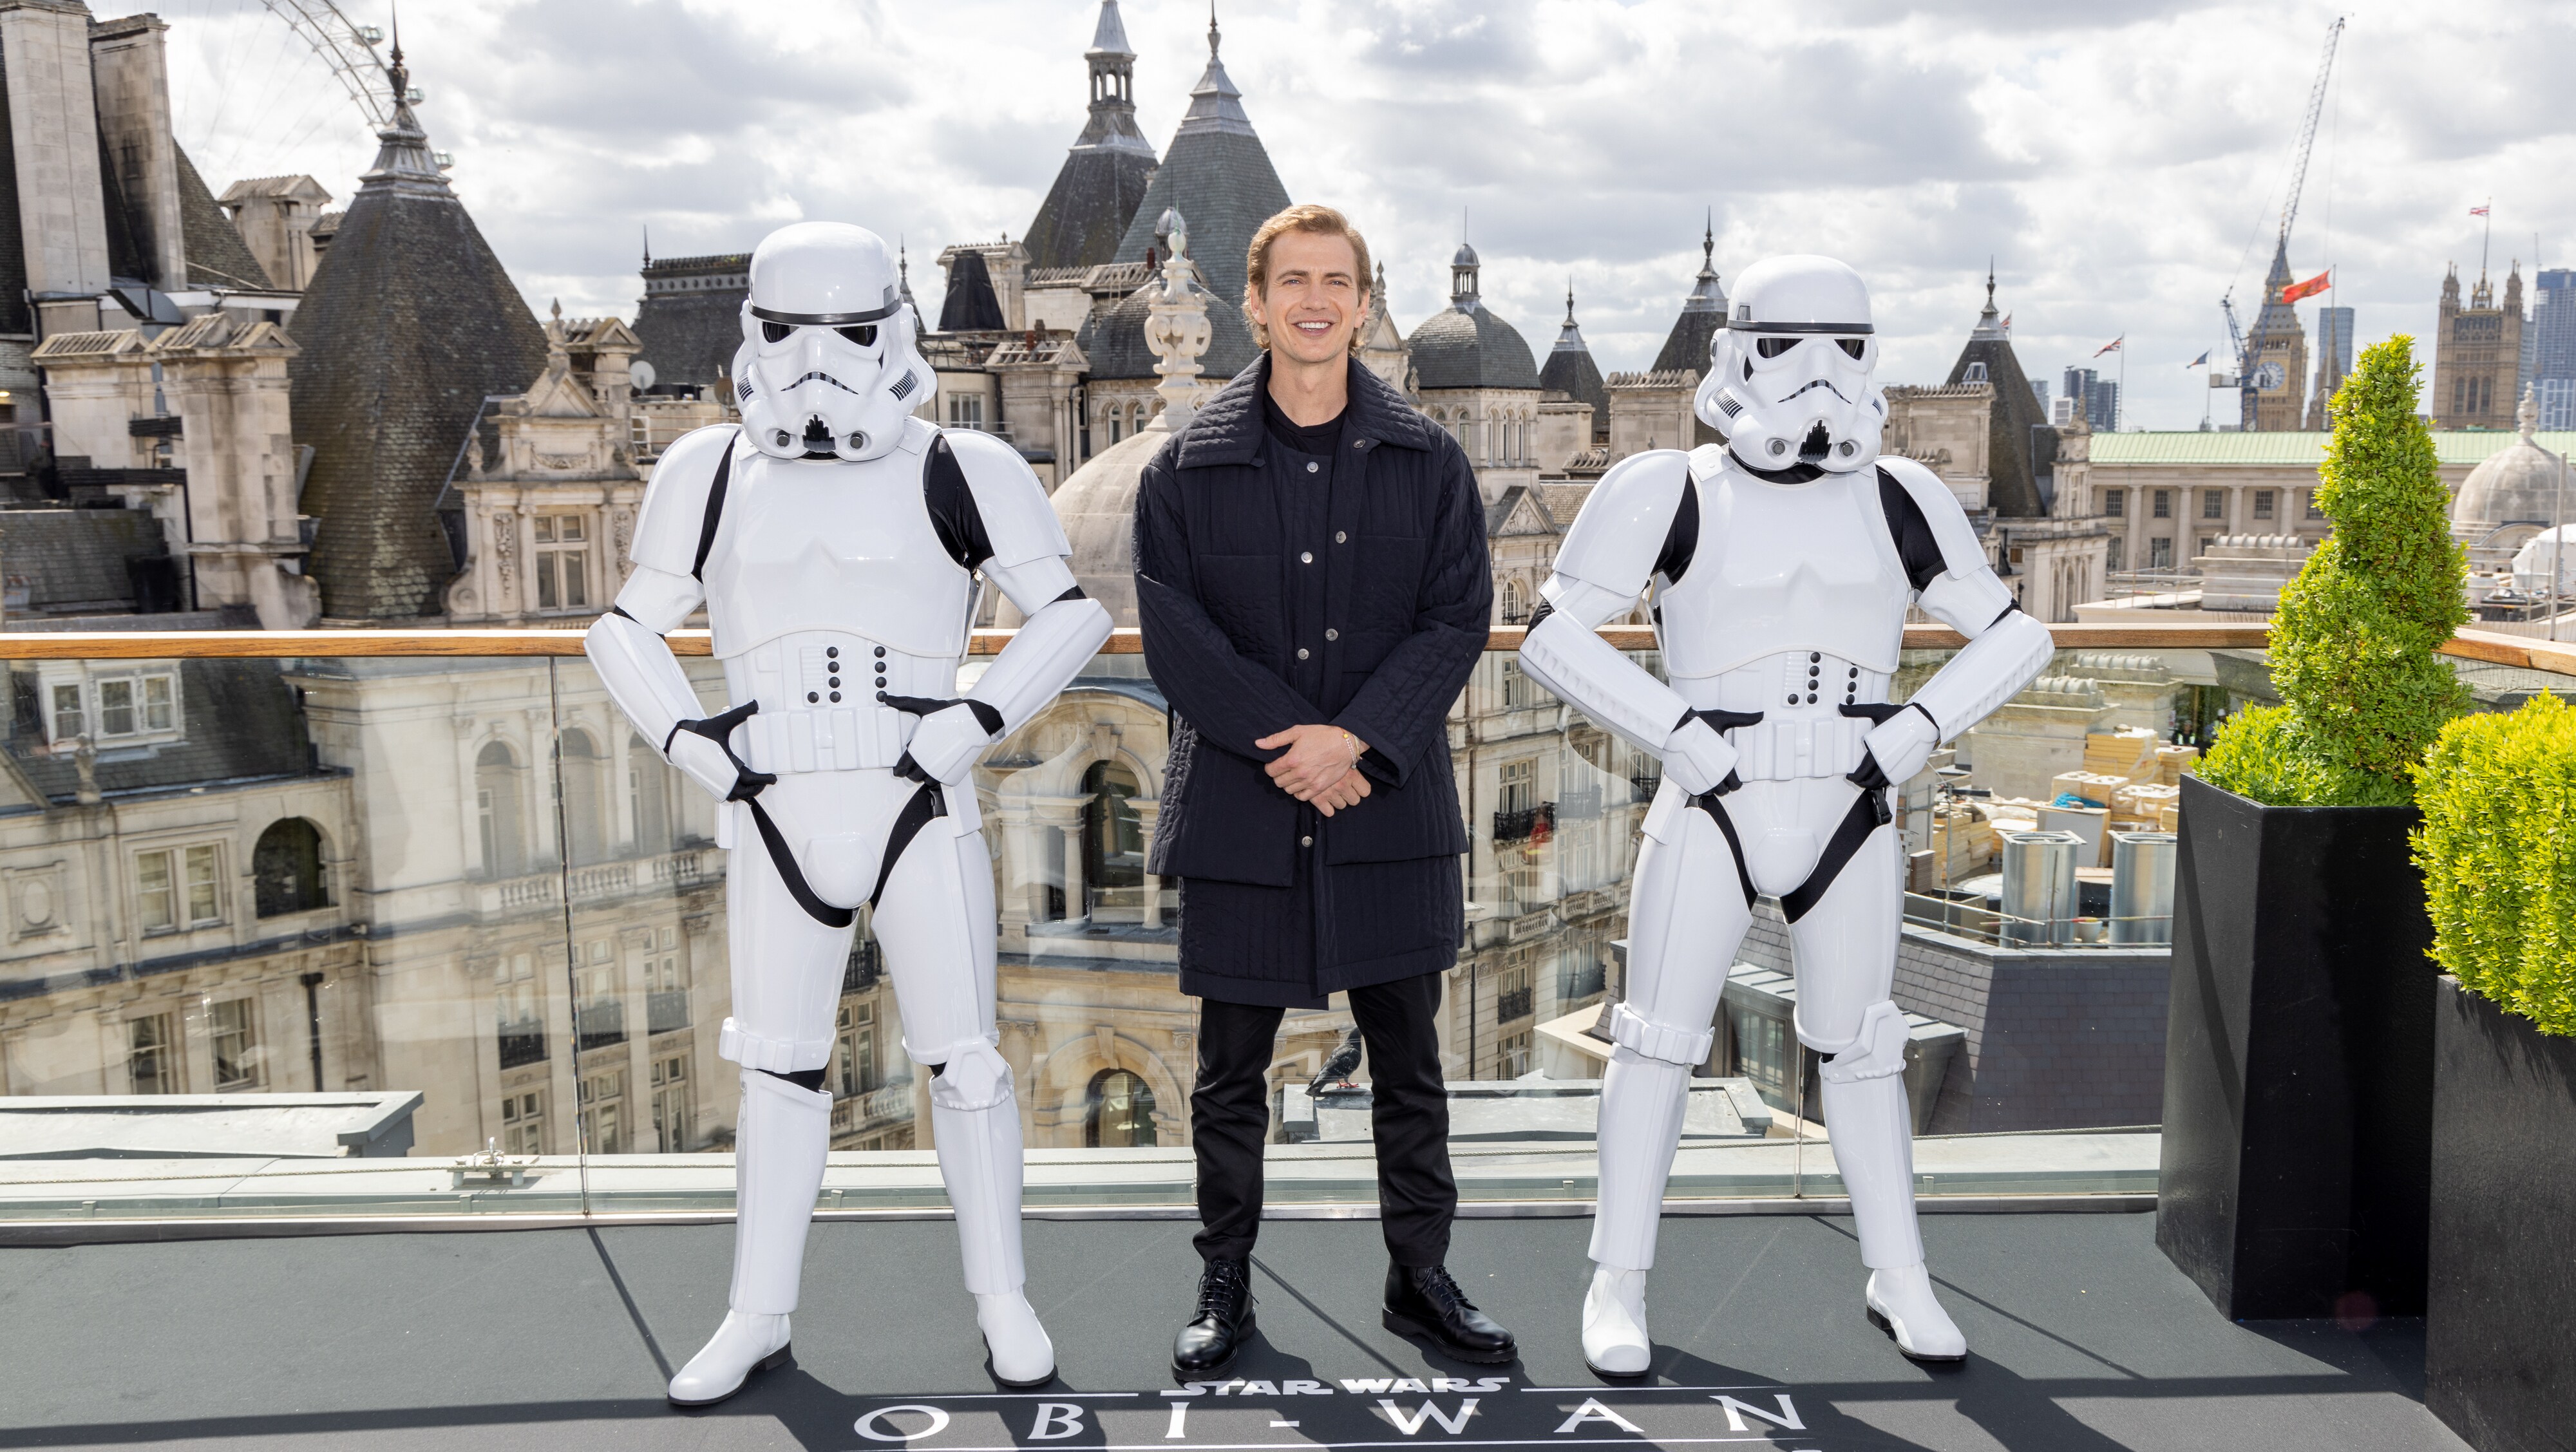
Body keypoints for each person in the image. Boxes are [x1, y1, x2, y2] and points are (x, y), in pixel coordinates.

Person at [585, 221, 1112, 1405]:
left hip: (919, 800)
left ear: (896, 332)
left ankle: (1002, 1296)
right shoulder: (705, 470)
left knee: (965, 1063)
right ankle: (757, 1310)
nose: (819, 362)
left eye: (848, 332)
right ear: (754, 336)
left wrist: (973, 723)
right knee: (776, 1068)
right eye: (791, 334)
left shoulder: (964, 468)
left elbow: (1067, 614)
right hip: (774, 806)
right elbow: (624, 627)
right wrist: (691, 742)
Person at [1517, 255, 2056, 1373]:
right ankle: (1618, 1281)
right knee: (1654, 1043)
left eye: (1844, 347)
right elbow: (1554, 633)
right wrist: (1678, 736)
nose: (1817, 375)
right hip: (1713, 795)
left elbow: (2016, 634)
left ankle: (1900, 1273)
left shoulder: (1903, 495)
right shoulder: (1667, 487)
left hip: (1850, 802)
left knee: (1862, 1047)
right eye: (1790, 344)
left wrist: (1914, 730)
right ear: (1738, 352)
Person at [1132, 204, 1508, 1377]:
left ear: (1358, 302)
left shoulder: (1431, 461)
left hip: (1384, 801)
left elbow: (1457, 620)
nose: (1313, 300)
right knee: (1229, 1072)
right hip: (1249, 808)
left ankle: (1420, 1276)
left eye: (1334, 282)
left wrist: (1355, 744)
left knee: (1411, 1063)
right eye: (1291, 280)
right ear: (1254, 303)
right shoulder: (1184, 465)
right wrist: (1296, 745)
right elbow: (1175, 640)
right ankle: (1226, 1281)